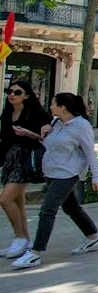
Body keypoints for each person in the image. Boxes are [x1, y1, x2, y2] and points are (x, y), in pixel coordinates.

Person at [11, 93, 98, 270]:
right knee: (71, 208)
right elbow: (50, 144)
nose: (51, 106)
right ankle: (93, 238)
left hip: (67, 174)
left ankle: (35, 253)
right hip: (51, 172)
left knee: (47, 210)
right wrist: (31, 134)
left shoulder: (81, 126)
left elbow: (90, 152)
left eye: (54, 104)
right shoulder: (55, 122)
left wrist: (97, 176)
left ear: (63, 107)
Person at [2, 81, 50, 259]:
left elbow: (46, 137)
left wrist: (29, 133)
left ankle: (20, 237)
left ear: (26, 96)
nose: (12, 95)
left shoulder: (36, 113)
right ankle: (24, 240)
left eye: (17, 92)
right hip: (10, 159)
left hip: (26, 159)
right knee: (18, 201)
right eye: (10, 91)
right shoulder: (7, 113)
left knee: (5, 199)